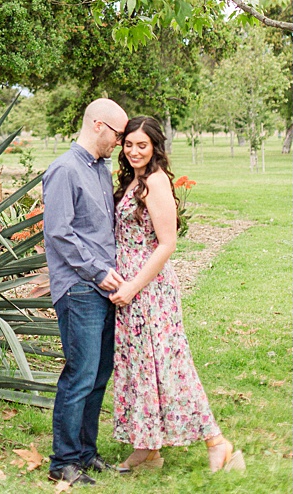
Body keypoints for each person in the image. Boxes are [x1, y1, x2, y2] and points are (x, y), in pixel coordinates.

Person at [108, 115, 244, 475]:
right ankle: (147, 448)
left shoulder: (154, 183)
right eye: (129, 144)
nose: (134, 151)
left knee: (170, 366)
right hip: (129, 291)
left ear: (155, 148)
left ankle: (218, 443)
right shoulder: (131, 181)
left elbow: (167, 244)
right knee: (140, 368)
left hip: (150, 292)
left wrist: (133, 286)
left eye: (142, 145)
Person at [40, 97, 130, 487]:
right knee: (80, 373)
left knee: (99, 372)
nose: (120, 142)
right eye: (118, 134)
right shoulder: (64, 170)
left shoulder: (101, 170)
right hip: (79, 287)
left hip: (105, 287)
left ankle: (86, 454)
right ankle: (63, 461)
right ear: (98, 126)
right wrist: (97, 271)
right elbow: (59, 233)